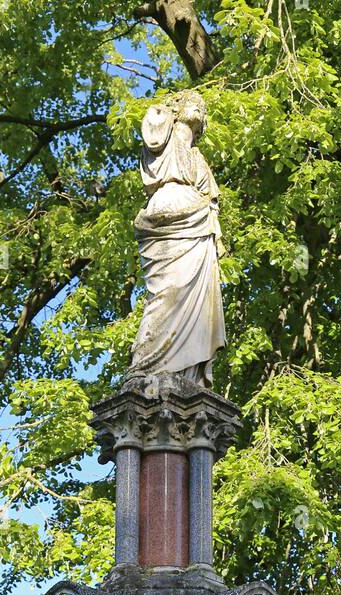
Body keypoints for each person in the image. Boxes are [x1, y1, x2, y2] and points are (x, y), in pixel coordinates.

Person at [129, 91, 226, 387]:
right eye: (191, 101)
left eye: (202, 106)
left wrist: (216, 239)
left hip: (199, 227)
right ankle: (145, 365)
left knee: (198, 302)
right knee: (167, 293)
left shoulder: (199, 158)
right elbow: (152, 125)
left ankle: (186, 372)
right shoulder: (162, 136)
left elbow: (211, 203)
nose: (198, 105)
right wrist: (167, 109)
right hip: (166, 217)